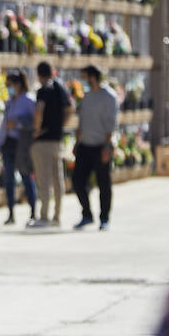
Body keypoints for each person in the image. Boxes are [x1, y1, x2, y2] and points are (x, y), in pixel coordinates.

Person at [72, 64, 119, 230]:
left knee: (104, 184)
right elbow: (82, 122)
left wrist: (107, 146)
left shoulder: (109, 97)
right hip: (85, 145)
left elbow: (111, 124)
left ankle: (104, 218)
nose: (83, 81)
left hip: (101, 146)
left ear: (93, 77)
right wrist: (77, 142)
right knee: (77, 181)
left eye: (85, 77)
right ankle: (87, 214)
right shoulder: (87, 97)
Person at [30, 61, 71, 229]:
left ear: (39, 74)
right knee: (58, 179)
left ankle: (44, 216)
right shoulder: (60, 88)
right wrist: (62, 125)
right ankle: (57, 216)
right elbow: (71, 108)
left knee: (44, 180)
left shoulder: (43, 90)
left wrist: (37, 129)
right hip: (57, 140)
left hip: (44, 140)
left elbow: (39, 110)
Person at [0, 70, 37, 226]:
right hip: (8, 143)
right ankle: (11, 213)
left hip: (22, 144)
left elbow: (35, 121)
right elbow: (4, 125)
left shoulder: (28, 100)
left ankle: (33, 211)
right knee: (9, 180)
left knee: (27, 177)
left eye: (10, 84)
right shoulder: (9, 102)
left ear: (18, 84)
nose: (9, 88)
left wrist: (18, 122)